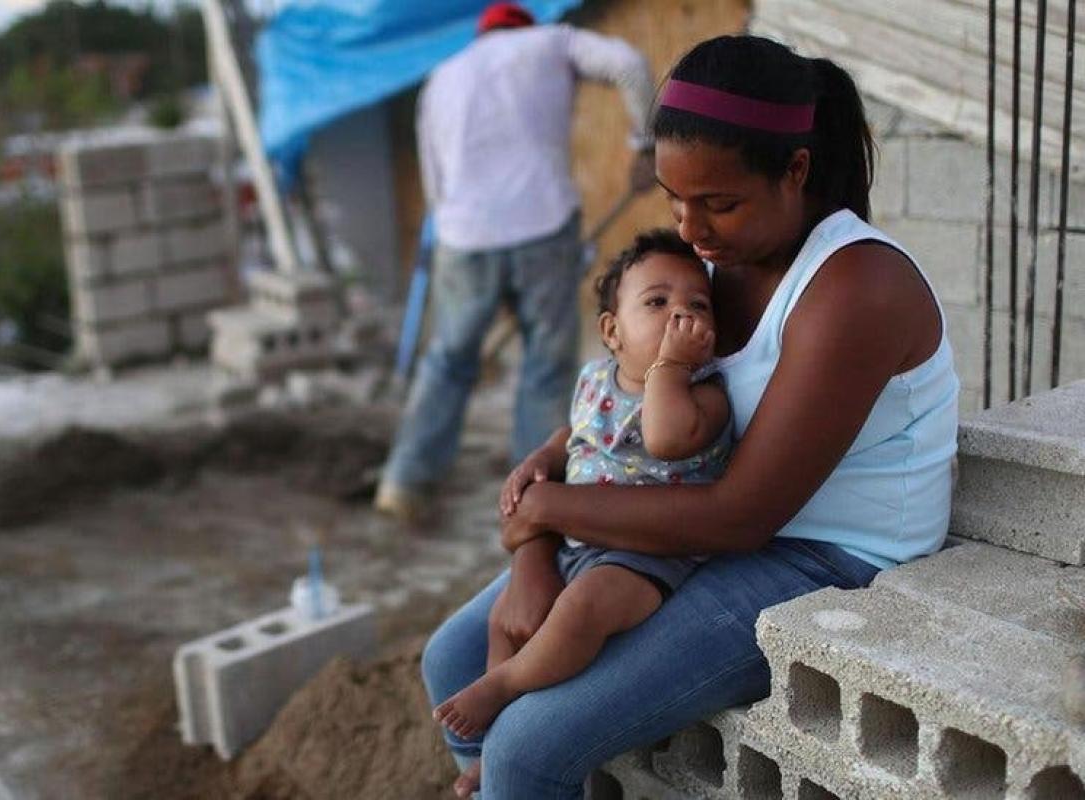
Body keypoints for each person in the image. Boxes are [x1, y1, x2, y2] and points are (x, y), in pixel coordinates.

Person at [421, 34, 960, 799]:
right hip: (693, 514)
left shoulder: (856, 287)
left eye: (718, 203)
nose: (689, 228)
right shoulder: (706, 269)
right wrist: (535, 541)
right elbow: (619, 402)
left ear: (795, 170)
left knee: (527, 748)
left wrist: (547, 510)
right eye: (674, 200)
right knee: (452, 660)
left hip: (819, 556)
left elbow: (741, 517)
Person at [432, 230, 733, 762]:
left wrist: (669, 367)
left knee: (580, 610)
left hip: (646, 556)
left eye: (698, 306)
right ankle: (491, 749)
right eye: (657, 302)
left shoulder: (705, 396)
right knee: (504, 620)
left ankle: (504, 686)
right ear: (612, 331)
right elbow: (575, 434)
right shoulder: (596, 379)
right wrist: (543, 458)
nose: (679, 316)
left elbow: (666, 437)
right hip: (577, 543)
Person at [374, 2, 658, 521]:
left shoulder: (443, 76)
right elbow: (629, 64)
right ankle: (534, 497)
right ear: (525, 27)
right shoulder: (553, 42)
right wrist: (646, 143)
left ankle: (403, 483)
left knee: (448, 359)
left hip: (463, 236)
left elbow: (434, 181)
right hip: (543, 227)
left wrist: (464, 237)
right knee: (545, 367)